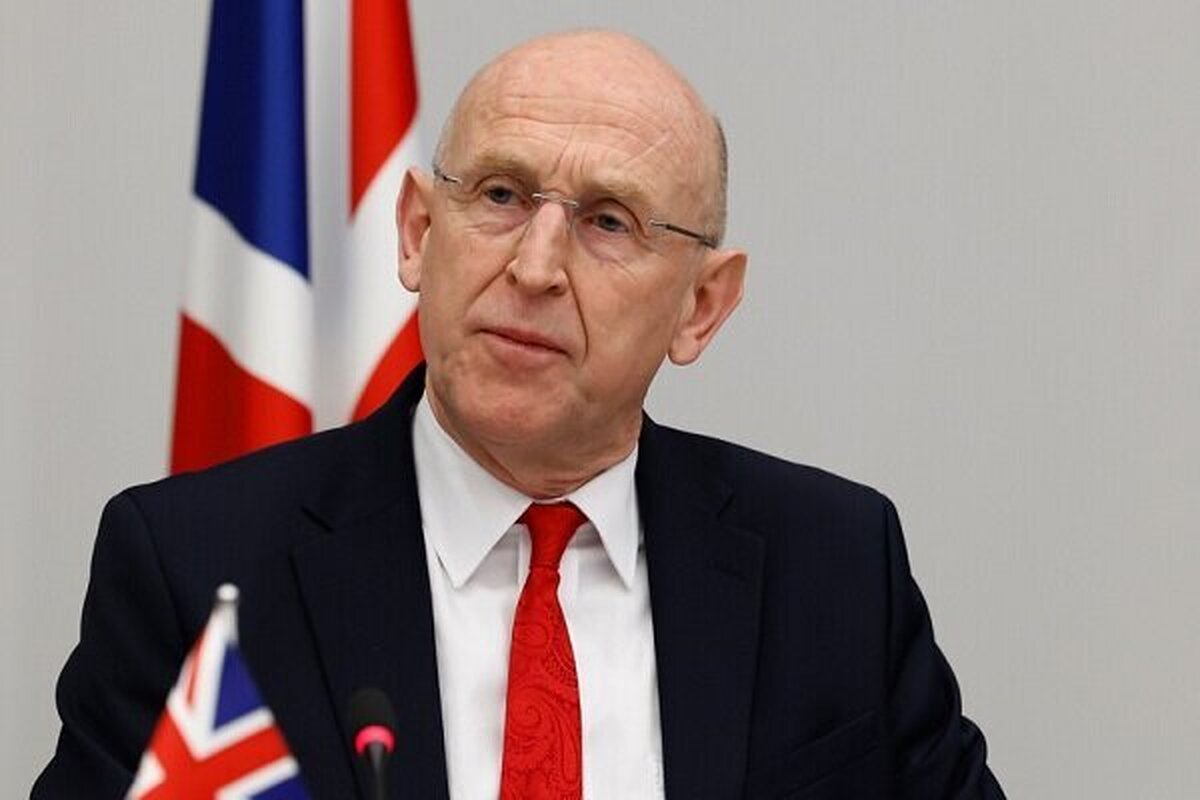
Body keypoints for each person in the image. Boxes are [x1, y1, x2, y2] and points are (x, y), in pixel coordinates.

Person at [34, 30, 1005, 799]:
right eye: (500, 195)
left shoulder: (834, 569)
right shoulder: (196, 567)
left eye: (609, 220)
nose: (534, 267)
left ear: (702, 307)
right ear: (418, 232)